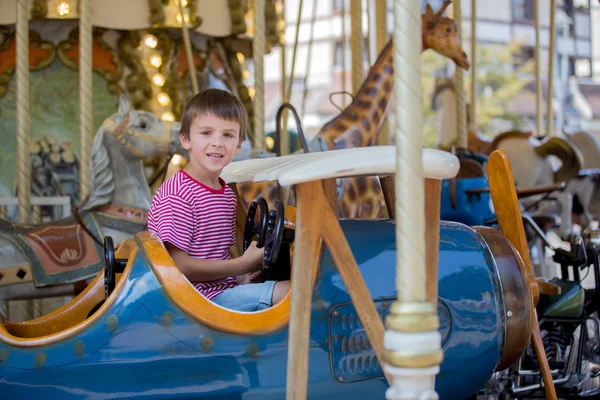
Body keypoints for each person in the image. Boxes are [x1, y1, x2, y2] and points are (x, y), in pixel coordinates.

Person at [147, 89, 290, 312]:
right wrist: (241, 264)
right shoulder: (178, 195)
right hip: (193, 301)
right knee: (295, 291)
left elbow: (216, 256)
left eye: (228, 135)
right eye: (206, 133)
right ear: (185, 139)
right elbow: (177, 266)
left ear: (240, 144)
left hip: (220, 291)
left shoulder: (225, 193)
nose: (217, 143)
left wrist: (244, 275)